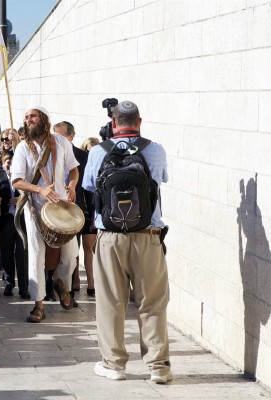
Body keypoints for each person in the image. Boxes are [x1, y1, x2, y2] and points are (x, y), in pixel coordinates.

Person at [82, 100, 171, 383]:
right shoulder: (154, 150)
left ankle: (114, 365)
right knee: (152, 303)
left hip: (110, 238)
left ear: (114, 123)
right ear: (139, 121)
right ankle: (159, 368)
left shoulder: (97, 151)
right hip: (148, 236)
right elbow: (161, 180)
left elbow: (88, 187)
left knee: (110, 303)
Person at [10, 106, 80, 323]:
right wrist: (40, 189)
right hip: (35, 209)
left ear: (44, 120)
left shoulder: (62, 143)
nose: (28, 120)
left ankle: (62, 284)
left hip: (61, 208)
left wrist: (72, 185)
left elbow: (74, 169)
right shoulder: (22, 148)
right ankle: (38, 304)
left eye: (32, 116)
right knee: (36, 256)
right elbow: (16, 181)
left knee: (70, 255)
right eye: (26, 118)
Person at [53, 121, 95, 297]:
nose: (57, 139)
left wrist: (93, 212)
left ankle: (91, 283)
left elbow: (90, 187)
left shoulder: (83, 157)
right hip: (61, 210)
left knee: (88, 247)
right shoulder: (51, 155)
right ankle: (73, 281)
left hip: (82, 209)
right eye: (55, 135)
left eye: (61, 135)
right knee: (71, 250)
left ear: (71, 136)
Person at [0, 153, 30, 299]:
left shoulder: (24, 179)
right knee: (6, 254)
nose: (10, 164)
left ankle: (24, 287)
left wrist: (23, 198)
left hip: (22, 221)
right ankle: (8, 283)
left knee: (22, 254)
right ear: (2, 165)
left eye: (13, 161)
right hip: (5, 220)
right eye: (7, 161)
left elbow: (32, 196)